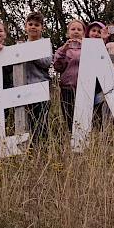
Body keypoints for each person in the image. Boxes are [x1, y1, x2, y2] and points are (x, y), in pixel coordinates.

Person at [22, 11, 52, 146]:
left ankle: (42, 149)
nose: (33, 27)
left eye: (37, 25)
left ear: (42, 28)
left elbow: (46, 62)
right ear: (25, 27)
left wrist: (31, 53)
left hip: (41, 87)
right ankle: (29, 150)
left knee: (41, 122)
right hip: (24, 89)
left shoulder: (45, 44)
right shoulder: (21, 46)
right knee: (26, 121)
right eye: (31, 24)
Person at [53, 20, 86, 131]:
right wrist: (63, 51)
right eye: (73, 29)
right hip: (67, 88)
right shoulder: (62, 50)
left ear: (84, 33)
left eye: (79, 29)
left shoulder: (88, 48)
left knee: (84, 117)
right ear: (67, 33)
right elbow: (57, 67)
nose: (76, 31)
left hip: (84, 89)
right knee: (69, 117)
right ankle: (71, 141)